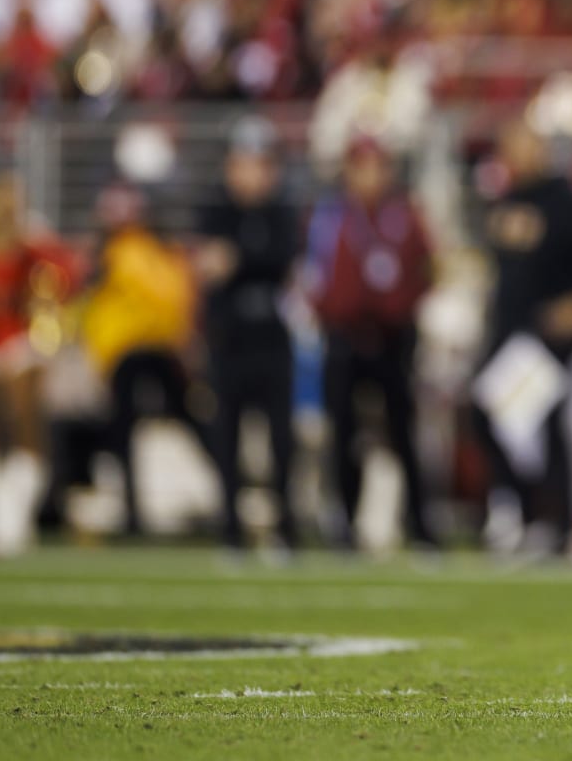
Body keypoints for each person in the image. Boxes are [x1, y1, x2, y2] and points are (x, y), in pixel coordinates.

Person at [475, 117, 572, 555]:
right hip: (514, 334)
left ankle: (562, 523)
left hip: (548, 335)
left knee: (551, 421)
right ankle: (521, 512)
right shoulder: (502, 200)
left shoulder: (567, 200)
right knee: (494, 416)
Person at [308, 135, 436, 551]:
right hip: (344, 336)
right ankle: (345, 521)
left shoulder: (404, 214)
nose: (370, 177)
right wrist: (329, 311)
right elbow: (311, 272)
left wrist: (404, 307)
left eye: (377, 168)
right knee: (344, 433)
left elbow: (428, 266)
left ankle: (417, 522)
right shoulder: (329, 215)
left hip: (392, 337)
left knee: (403, 431)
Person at [0, 172, 80, 555]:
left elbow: (66, 277)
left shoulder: (33, 238)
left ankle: (13, 513)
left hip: (22, 336)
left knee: (22, 417)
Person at [196, 116, 301, 556]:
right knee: (228, 436)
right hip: (230, 337)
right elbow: (210, 267)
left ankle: (285, 527)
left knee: (280, 439)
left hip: (272, 338)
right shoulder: (215, 211)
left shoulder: (281, 213)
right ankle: (232, 530)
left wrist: (239, 260)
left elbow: (282, 261)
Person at [79, 183, 206, 538]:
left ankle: (134, 513)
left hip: (146, 349)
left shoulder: (133, 252)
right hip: (135, 350)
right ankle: (131, 512)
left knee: (144, 427)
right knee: (128, 430)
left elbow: (169, 296)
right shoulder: (139, 252)